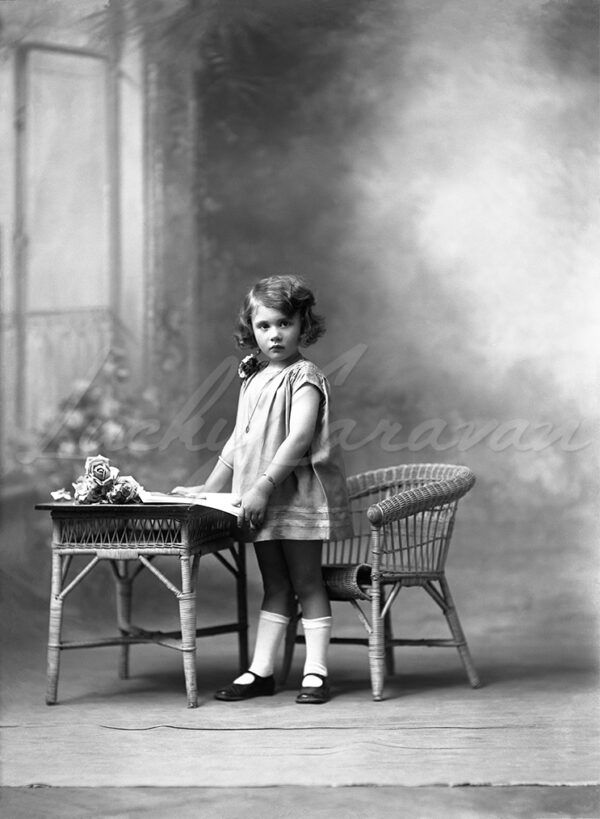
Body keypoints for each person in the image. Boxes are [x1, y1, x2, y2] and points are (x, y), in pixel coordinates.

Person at [174, 275, 352, 704]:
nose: (275, 334)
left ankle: (315, 672)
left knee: (307, 580)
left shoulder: (304, 375)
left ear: (302, 325)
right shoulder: (252, 376)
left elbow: (299, 438)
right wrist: (209, 489)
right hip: (258, 500)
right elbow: (239, 440)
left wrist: (263, 487)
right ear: (251, 329)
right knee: (273, 583)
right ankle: (262, 671)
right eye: (264, 326)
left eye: (284, 324)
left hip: (294, 496)